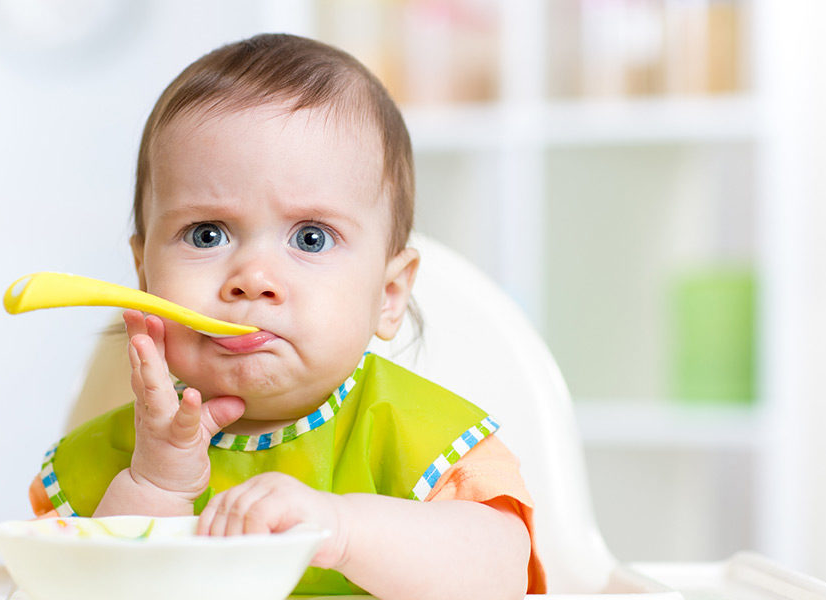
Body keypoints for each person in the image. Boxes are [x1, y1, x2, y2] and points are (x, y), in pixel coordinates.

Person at [28, 33, 546, 598]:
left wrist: (343, 529)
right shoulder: (118, 456)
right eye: (207, 233)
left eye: (311, 238)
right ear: (145, 278)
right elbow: (73, 589)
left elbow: (500, 575)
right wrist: (154, 485)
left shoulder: (415, 438)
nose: (253, 277)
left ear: (389, 295)